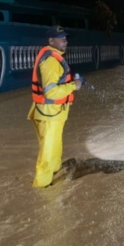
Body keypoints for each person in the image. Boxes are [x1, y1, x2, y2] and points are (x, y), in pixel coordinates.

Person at [28, 25, 84, 188]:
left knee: (54, 148)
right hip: (49, 114)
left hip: (52, 113)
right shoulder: (51, 61)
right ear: (51, 40)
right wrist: (74, 86)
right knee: (47, 152)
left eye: (65, 38)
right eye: (61, 38)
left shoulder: (53, 56)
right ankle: (41, 188)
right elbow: (51, 92)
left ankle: (54, 175)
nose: (65, 41)